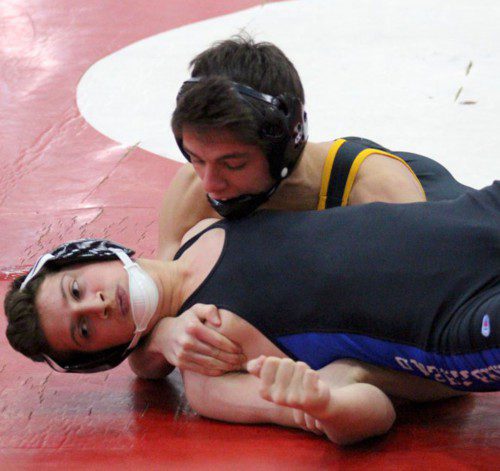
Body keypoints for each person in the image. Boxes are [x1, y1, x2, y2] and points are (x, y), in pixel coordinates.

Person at [4, 182, 499, 445]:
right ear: (106, 350)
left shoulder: (198, 216)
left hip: (472, 217)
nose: (97, 304)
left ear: (91, 253)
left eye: (76, 289)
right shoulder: (207, 376)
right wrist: (321, 404)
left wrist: (153, 348)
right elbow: (373, 413)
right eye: (85, 329)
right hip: (457, 326)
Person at [154, 35, 473, 374]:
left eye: (233, 165)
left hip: (439, 212)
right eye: (195, 158)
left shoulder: (374, 190)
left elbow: (438, 341)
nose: (210, 183)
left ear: (284, 147)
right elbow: (145, 343)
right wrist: (166, 335)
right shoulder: (192, 188)